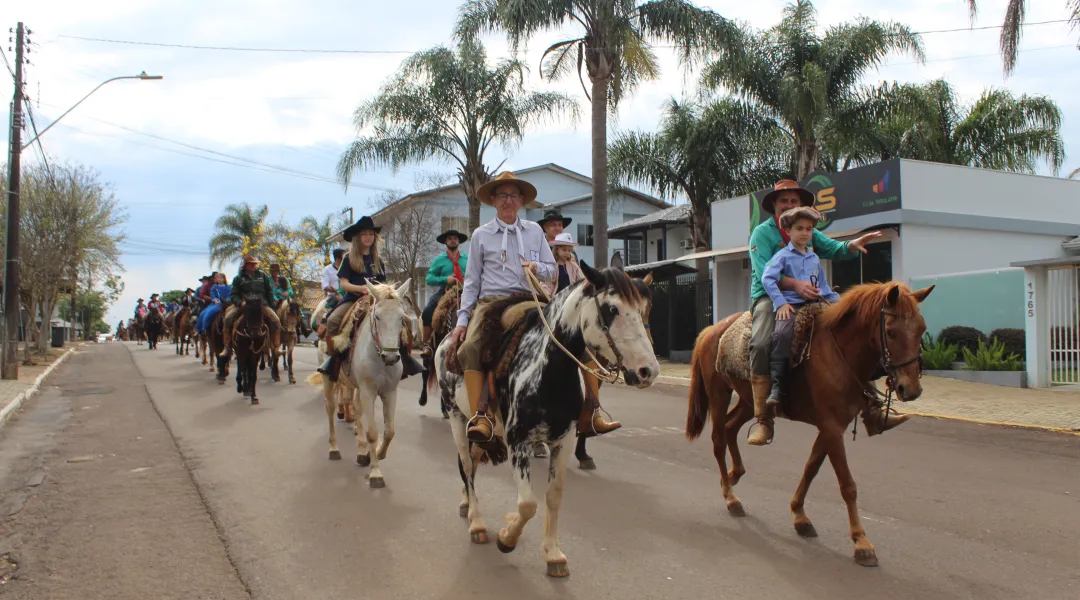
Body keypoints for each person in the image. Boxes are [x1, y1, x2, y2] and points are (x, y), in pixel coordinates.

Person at [745, 179, 907, 446]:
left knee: (852, 332)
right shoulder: (761, 234)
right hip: (771, 297)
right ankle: (764, 419)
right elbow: (765, 274)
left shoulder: (807, 231)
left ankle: (874, 411)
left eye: (794, 200)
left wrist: (853, 245)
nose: (789, 204)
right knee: (762, 342)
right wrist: (795, 284)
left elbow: (834, 249)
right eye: (784, 200)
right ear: (774, 205)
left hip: (810, 294)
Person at [448, 171, 556, 447]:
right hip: (491, 303)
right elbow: (471, 282)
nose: (509, 200)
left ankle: (586, 408)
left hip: (529, 298)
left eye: (514, 195)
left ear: (521, 200)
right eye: (503, 195)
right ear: (493, 200)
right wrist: (462, 320)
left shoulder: (535, 232)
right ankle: (480, 417)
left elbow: (552, 269)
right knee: (471, 347)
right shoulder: (481, 236)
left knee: (567, 333)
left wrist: (537, 268)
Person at [316, 216, 424, 382]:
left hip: (377, 301)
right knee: (332, 321)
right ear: (358, 237)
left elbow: (383, 284)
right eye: (364, 234)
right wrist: (360, 288)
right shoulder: (348, 258)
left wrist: (389, 294)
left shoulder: (378, 260)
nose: (368, 237)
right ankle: (333, 362)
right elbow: (343, 284)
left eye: (371, 234)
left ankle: (406, 359)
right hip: (353, 299)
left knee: (407, 322)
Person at [539, 231, 622, 437]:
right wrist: (555, 299)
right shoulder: (549, 267)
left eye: (569, 249)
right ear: (556, 250)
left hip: (573, 316)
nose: (566, 253)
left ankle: (593, 410)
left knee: (588, 353)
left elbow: (585, 286)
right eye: (563, 249)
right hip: (553, 313)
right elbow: (544, 287)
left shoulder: (574, 267)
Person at [761, 206, 840, 418]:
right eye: (799, 228)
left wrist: (839, 303)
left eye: (809, 229)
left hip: (815, 305)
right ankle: (777, 387)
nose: (805, 233)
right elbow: (767, 279)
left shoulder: (814, 258)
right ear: (788, 231)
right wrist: (781, 304)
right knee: (781, 334)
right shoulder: (782, 256)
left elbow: (822, 286)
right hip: (792, 306)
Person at [420, 228, 468, 356]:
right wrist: (445, 279)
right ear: (445, 242)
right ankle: (427, 345)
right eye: (450, 238)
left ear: (459, 241)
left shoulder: (466, 258)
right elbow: (429, 279)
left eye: (455, 238)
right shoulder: (438, 260)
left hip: (466, 290)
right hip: (445, 291)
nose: (452, 240)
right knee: (428, 311)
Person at [221, 255, 282, 350]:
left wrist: (271, 306)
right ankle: (226, 346)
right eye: (251, 264)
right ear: (245, 265)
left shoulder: (263, 276)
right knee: (228, 318)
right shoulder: (238, 278)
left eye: (255, 264)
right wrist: (240, 302)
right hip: (243, 305)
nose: (254, 266)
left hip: (261, 305)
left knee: (276, 321)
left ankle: (275, 347)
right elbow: (234, 294)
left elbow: (269, 292)